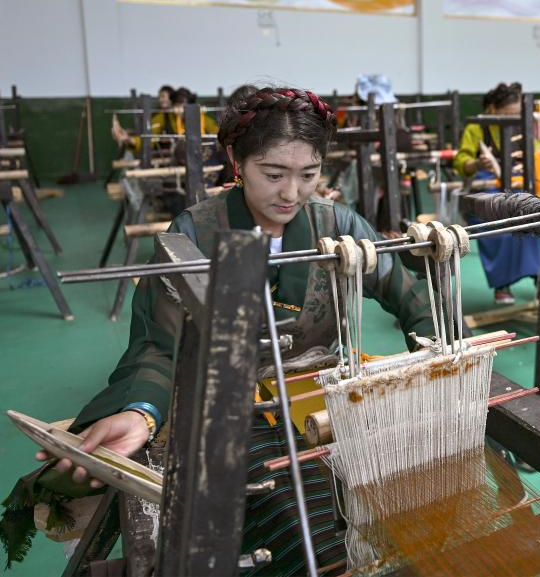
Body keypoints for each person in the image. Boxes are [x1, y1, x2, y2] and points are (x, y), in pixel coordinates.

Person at [5, 86, 434, 573]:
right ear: (236, 160)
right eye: (274, 174)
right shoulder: (193, 235)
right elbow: (159, 344)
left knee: (401, 505)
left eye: (309, 174)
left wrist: (442, 360)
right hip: (228, 401)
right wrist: (143, 411)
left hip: (316, 397)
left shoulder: (339, 228)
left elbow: (411, 297)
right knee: (288, 519)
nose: (291, 193)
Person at [453, 82, 540, 305]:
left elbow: (539, 152)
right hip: (486, 194)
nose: (514, 119)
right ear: (493, 109)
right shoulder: (477, 127)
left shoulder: (521, 126)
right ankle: (502, 284)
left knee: (536, 222)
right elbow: (460, 162)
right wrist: (477, 163)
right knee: (499, 229)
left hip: (518, 187)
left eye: (517, 115)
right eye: (509, 115)